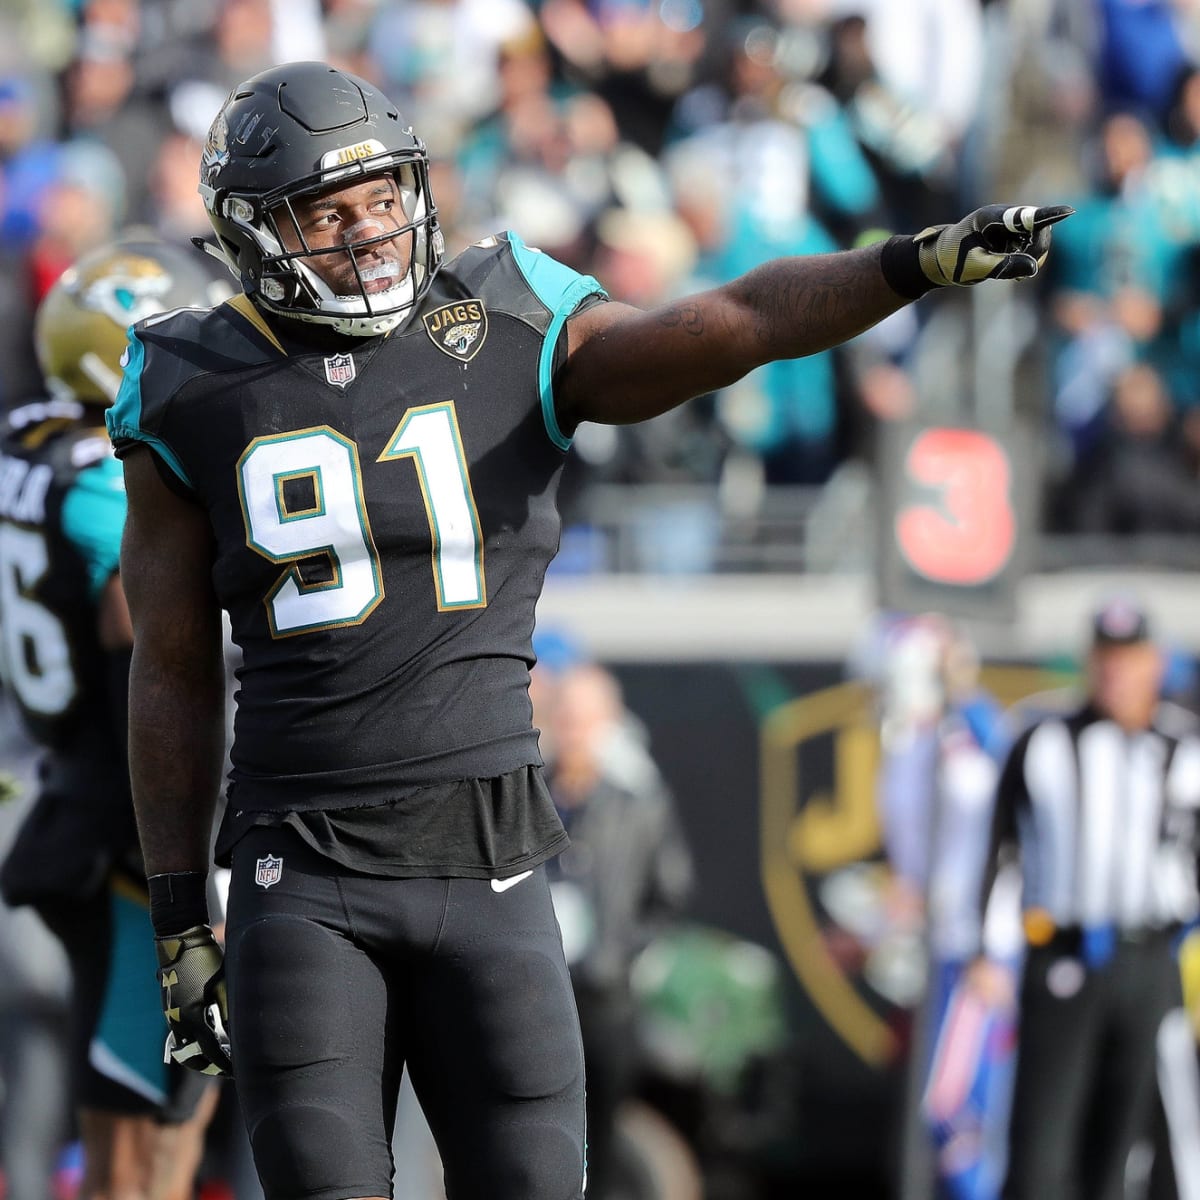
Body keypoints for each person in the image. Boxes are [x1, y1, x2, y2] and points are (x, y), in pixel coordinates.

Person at [104, 59, 1071, 1200]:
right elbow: (170, 668)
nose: (368, 233)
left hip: (494, 856)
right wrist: (179, 914)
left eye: (381, 198)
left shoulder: (506, 310)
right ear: (256, 232)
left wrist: (903, 265)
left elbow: (733, 321)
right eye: (328, 211)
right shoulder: (188, 378)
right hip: (303, 869)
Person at [0, 235, 227, 1200]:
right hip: (135, 834)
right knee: (146, 1116)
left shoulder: (28, 443)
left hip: (79, 800)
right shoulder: (103, 474)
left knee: (183, 1085)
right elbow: (149, 637)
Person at [967, 597, 1200, 1200]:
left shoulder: (1184, 748)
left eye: (1130, 658)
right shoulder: (1041, 740)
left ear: (1157, 663)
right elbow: (1003, 851)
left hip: (1151, 960)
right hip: (1065, 958)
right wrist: (990, 951)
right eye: (1105, 658)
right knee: (1041, 1145)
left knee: (1134, 1147)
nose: (1116, 673)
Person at [539, 660, 693, 1199]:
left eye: (586, 720)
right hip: (537, 991)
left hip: (604, 996)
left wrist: (622, 952)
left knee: (601, 1130)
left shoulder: (638, 806)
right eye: (567, 718)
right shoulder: (531, 800)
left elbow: (669, 892)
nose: (575, 732)